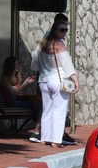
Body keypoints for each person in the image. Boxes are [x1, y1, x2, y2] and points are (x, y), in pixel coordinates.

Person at [31, 20, 80, 148]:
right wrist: (75, 79)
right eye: (62, 29)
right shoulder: (59, 45)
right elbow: (67, 64)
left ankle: (45, 138)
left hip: (43, 81)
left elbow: (35, 61)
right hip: (57, 81)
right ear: (55, 30)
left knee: (46, 111)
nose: (64, 32)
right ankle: (56, 140)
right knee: (59, 110)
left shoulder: (42, 44)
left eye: (66, 30)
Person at [0, 56, 42, 141]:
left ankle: (39, 129)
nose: (17, 67)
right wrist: (25, 84)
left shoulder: (15, 78)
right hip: (12, 102)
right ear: (10, 66)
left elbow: (17, 92)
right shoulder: (5, 78)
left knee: (39, 105)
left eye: (17, 65)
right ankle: (38, 130)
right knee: (40, 106)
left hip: (17, 100)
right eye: (15, 65)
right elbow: (14, 93)